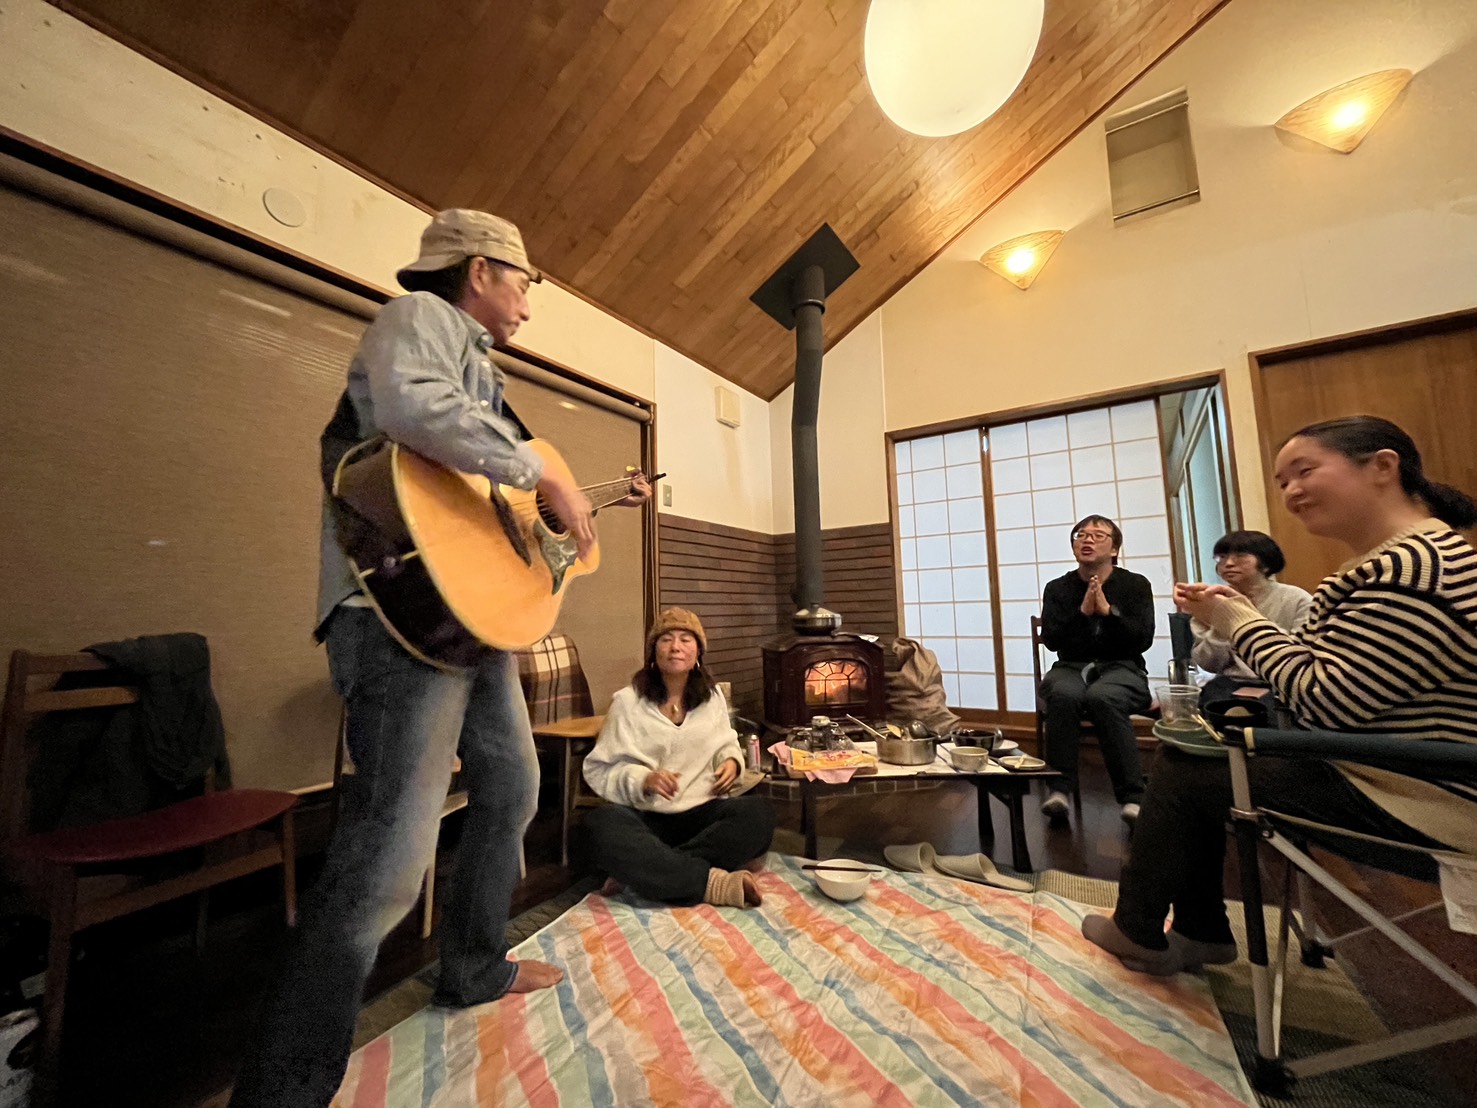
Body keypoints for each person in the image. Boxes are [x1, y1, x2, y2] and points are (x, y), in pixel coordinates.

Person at [230, 210, 648, 1107]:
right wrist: (548, 475)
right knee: (388, 860)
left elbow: (495, 517)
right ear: (481, 270)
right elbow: (414, 410)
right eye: (525, 281)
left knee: (514, 787)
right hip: (396, 620)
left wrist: (567, 525)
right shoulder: (419, 318)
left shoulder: (486, 376)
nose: (528, 303)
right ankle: (283, 1089)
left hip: (465, 626)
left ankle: (473, 965)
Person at [1084, 415, 1477, 976]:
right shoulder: (1404, 560)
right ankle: (1195, 930)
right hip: (1397, 766)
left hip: (1423, 789)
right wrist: (1230, 619)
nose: (1291, 491)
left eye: (1304, 471)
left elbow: (1324, 700)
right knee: (1193, 748)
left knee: (1189, 766)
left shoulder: (1412, 568)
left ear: (1383, 467)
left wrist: (1234, 617)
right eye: (1282, 481)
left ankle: (1144, 928)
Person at [582, 608, 775, 908]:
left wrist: (731, 762)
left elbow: (726, 743)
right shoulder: (627, 702)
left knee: (759, 814)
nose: (675, 647)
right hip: (647, 817)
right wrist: (644, 779)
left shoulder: (711, 697)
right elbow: (600, 769)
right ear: (653, 651)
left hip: (701, 814)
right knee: (600, 824)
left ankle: (650, 872)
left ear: (698, 651)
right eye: (666, 639)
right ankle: (714, 884)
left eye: (686, 639)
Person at [1037, 515, 1157, 825]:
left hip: (1123, 667)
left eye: (1098, 535)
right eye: (1080, 535)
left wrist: (1108, 612)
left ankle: (1133, 797)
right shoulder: (1057, 588)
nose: (1087, 539)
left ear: (1115, 549)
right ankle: (1059, 789)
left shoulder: (1135, 585)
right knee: (1063, 694)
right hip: (1070, 666)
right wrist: (1082, 613)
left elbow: (1142, 640)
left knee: (1104, 696)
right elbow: (1052, 641)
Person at [1190, 530, 1312, 704]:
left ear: (1266, 563)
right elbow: (1208, 663)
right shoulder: (1212, 601)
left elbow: (1303, 656)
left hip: (1283, 686)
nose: (1228, 563)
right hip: (1229, 685)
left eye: (1240, 556)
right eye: (1222, 558)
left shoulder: (1297, 599)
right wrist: (1221, 627)